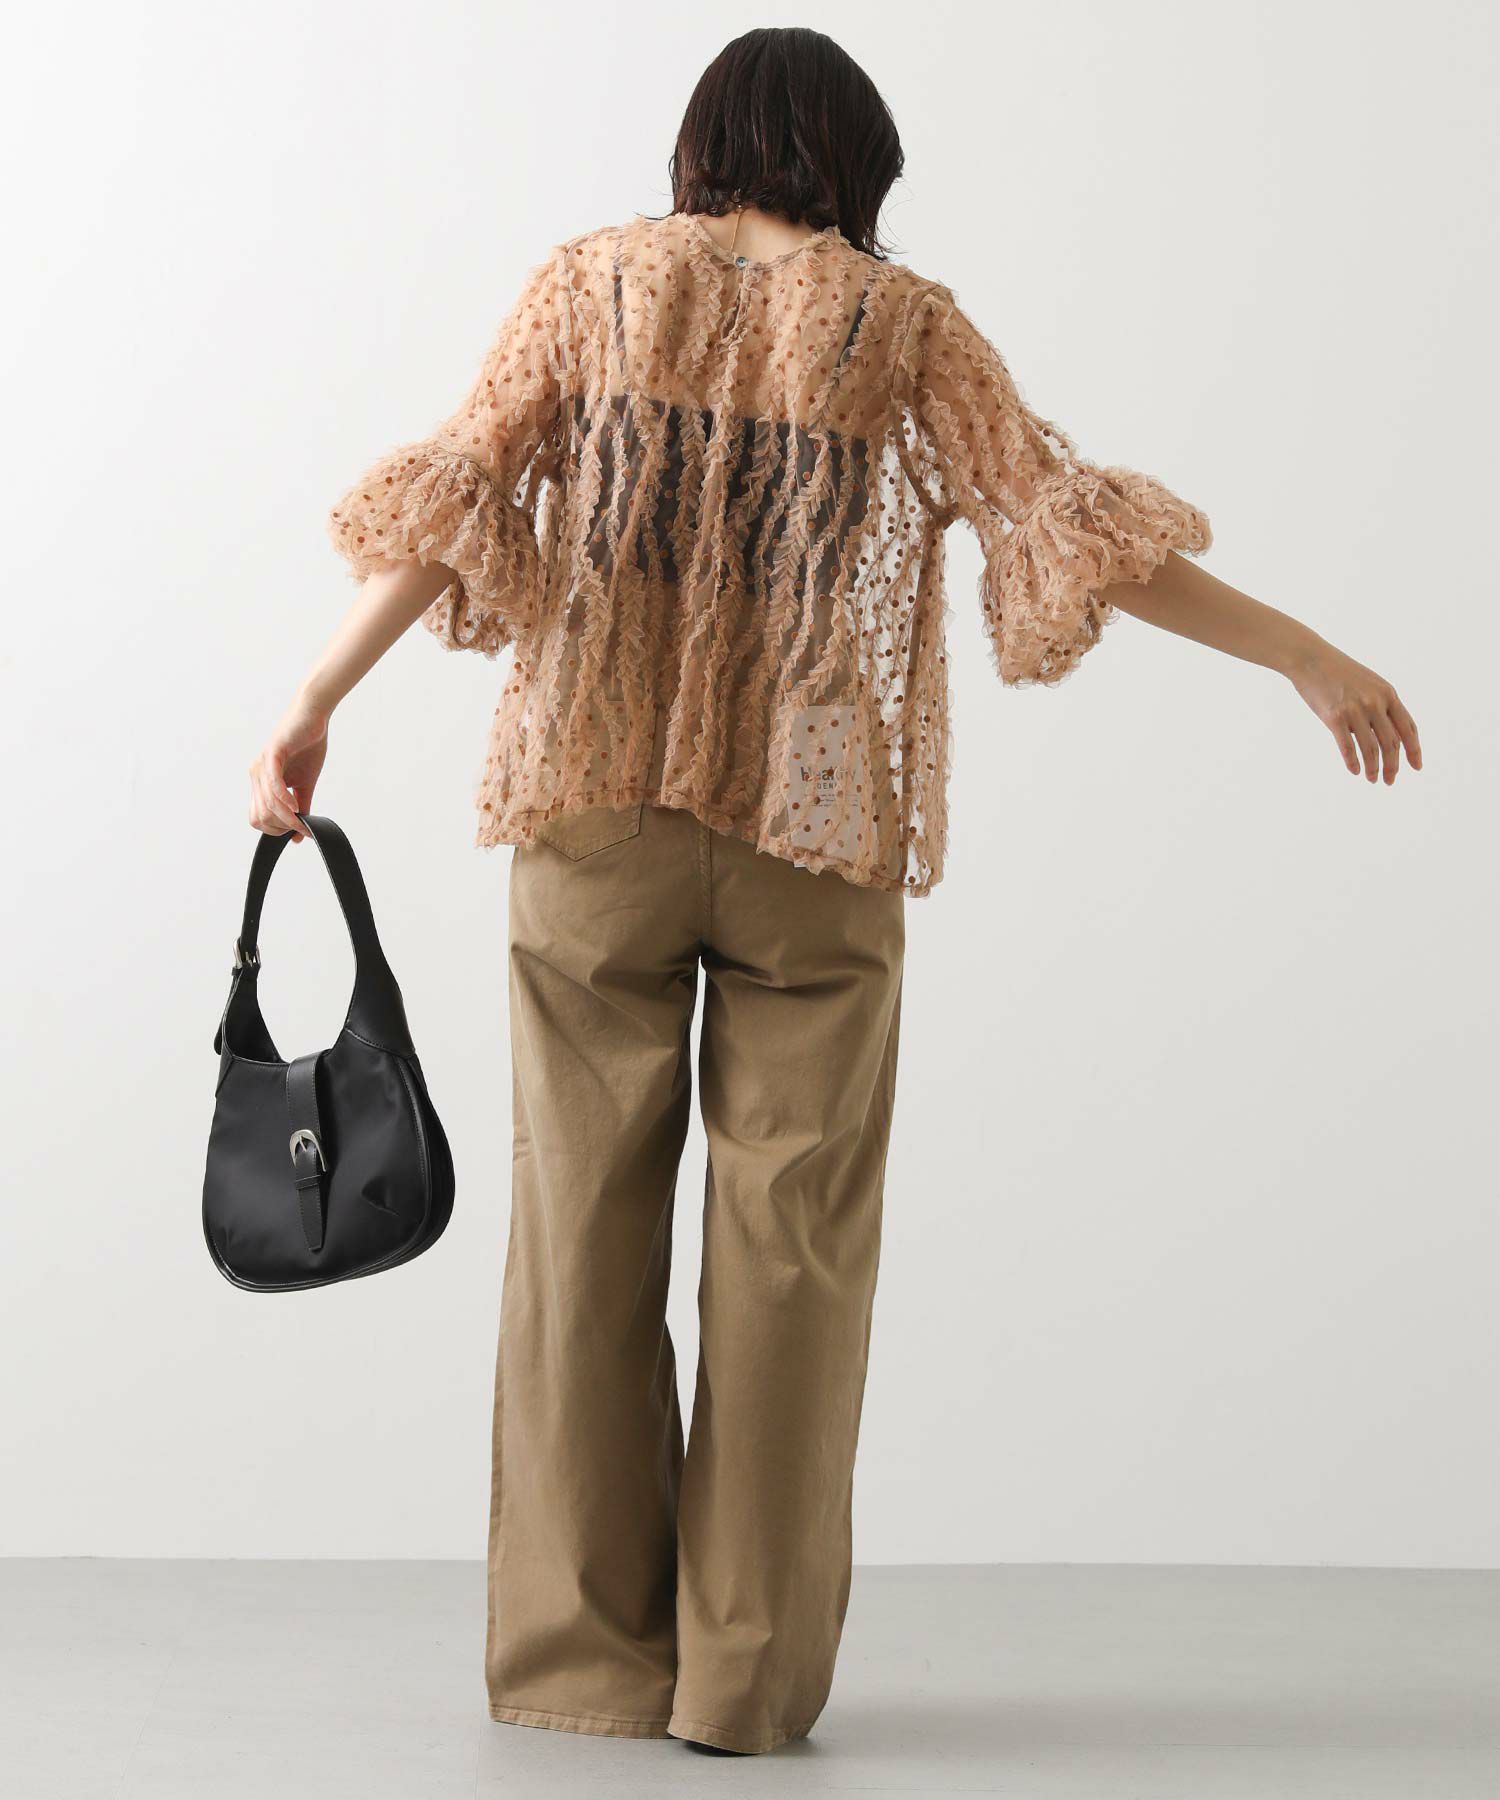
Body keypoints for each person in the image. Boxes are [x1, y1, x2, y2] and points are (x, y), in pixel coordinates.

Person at [248, 26, 1420, 1759]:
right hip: (812, 825)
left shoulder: (588, 288)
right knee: (791, 1256)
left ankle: (584, 1664)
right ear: (856, 159)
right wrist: (1302, 652)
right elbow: (1067, 525)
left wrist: (315, 696)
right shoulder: (906, 325)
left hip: (596, 812)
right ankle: (742, 1688)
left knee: (577, 1235)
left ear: (702, 143)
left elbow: (459, 497)